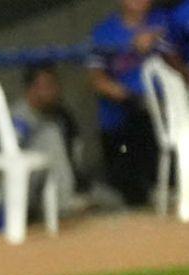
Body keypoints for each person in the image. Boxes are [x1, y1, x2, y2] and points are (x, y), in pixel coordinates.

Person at [87, 0, 177, 206]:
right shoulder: (104, 32)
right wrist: (131, 96)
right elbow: (97, 80)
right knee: (134, 195)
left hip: (167, 111)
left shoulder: (165, 21)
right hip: (124, 120)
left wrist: (157, 36)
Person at [12, 64, 84, 215]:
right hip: (20, 187)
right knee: (49, 133)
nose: (54, 90)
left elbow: (77, 155)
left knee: (108, 199)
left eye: (54, 85)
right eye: (47, 86)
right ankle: (63, 203)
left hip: (54, 184)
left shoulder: (62, 115)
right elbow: (10, 157)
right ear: (31, 89)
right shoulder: (18, 116)